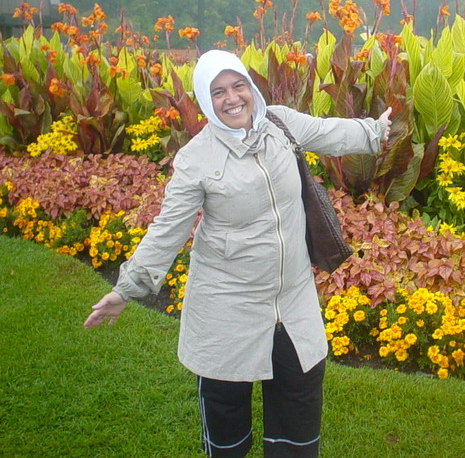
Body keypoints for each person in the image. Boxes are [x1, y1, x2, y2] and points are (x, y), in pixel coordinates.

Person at [84, 49, 392, 458]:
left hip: (291, 301)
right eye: (218, 92)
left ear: (250, 87)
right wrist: (127, 288)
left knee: (298, 411)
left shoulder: (279, 123)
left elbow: (328, 131)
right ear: (204, 100)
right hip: (226, 306)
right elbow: (168, 229)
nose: (232, 98)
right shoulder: (195, 159)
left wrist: (373, 131)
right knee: (226, 422)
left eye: (238, 85)